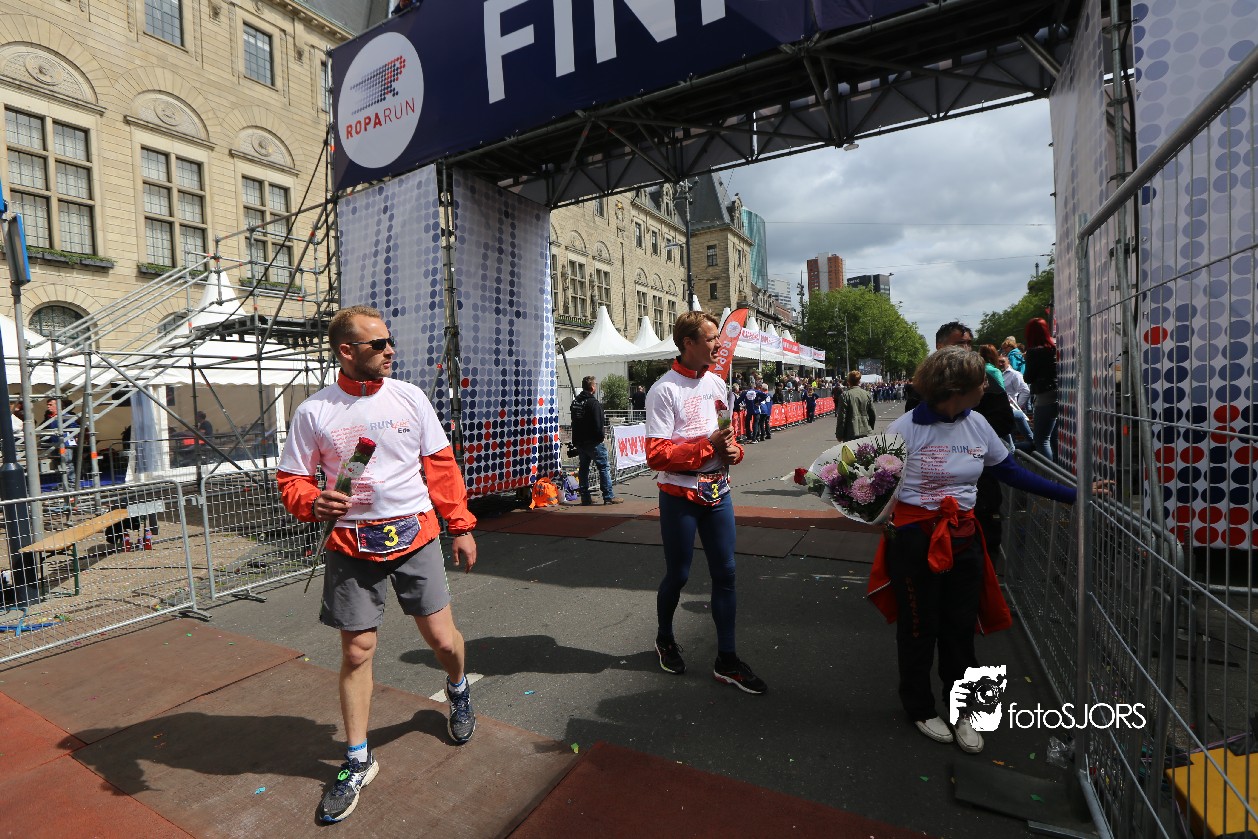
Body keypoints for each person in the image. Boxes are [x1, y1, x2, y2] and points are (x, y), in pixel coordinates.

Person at [276, 305, 479, 824]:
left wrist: (460, 525)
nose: (391, 351)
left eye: (390, 342)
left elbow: (441, 467)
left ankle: (458, 688)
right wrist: (313, 501)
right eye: (379, 344)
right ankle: (357, 759)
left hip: (415, 535)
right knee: (357, 651)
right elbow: (292, 480)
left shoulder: (410, 397)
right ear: (347, 351)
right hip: (350, 544)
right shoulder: (314, 411)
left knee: (442, 640)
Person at [867, 347, 1078, 754]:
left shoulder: (977, 423)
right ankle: (919, 706)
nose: (987, 386)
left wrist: (1073, 494)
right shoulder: (904, 429)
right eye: (981, 381)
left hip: (964, 537)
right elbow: (873, 486)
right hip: (914, 542)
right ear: (956, 389)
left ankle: (962, 710)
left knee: (961, 628)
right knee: (919, 627)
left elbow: (1011, 472)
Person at [646, 311, 765, 694]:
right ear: (689, 343)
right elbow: (656, 455)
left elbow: (729, 438)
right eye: (711, 338)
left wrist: (733, 452)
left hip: (719, 493)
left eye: (717, 337)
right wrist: (706, 447)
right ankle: (665, 638)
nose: (719, 344)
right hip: (679, 496)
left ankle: (727, 660)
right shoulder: (664, 389)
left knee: (726, 574)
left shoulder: (716, 382)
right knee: (678, 575)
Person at [570, 376, 624, 506]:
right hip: (593, 441)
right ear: (593, 387)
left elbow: (574, 422)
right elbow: (599, 424)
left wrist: (576, 440)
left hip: (580, 441)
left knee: (583, 468)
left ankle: (585, 497)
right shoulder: (594, 403)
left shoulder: (576, 402)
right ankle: (608, 496)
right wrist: (600, 438)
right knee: (603, 467)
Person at [1022, 317, 1059, 460]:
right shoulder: (1055, 347)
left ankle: (1047, 471)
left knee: (1041, 440)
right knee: (1054, 438)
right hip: (1059, 394)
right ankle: (1057, 468)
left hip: (1044, 395)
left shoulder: (1034, 352)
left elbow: (1028, 378)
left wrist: (1027, 360)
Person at [837, 370, 875, 441]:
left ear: (848, 381)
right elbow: (872, 413)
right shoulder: (867, 394)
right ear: (859, 381)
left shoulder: (845, 395)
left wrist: (839, 434)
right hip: (864, 429)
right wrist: (869, 426)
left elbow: (842, 417)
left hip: (850, 431)